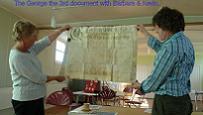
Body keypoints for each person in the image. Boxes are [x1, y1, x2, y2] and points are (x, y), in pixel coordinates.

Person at [135, 7, 194, 115]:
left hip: (169, 103)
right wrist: (144, 32)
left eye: (157, 28)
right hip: (183, 100)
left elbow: (156, 78)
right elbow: (161, 48)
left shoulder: (170, 47)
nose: (156, 31)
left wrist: (142, 88)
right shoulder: (185, 42)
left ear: (166, 27)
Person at [9, 21, 71, 115]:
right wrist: (56, 77)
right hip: (25, 101)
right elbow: (38, 78)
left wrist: (61, 30)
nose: (36, 39)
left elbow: (45, 41)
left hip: (36, 98)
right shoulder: (17, 57)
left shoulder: (29, 49)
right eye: (34, 36)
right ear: (24, 37)